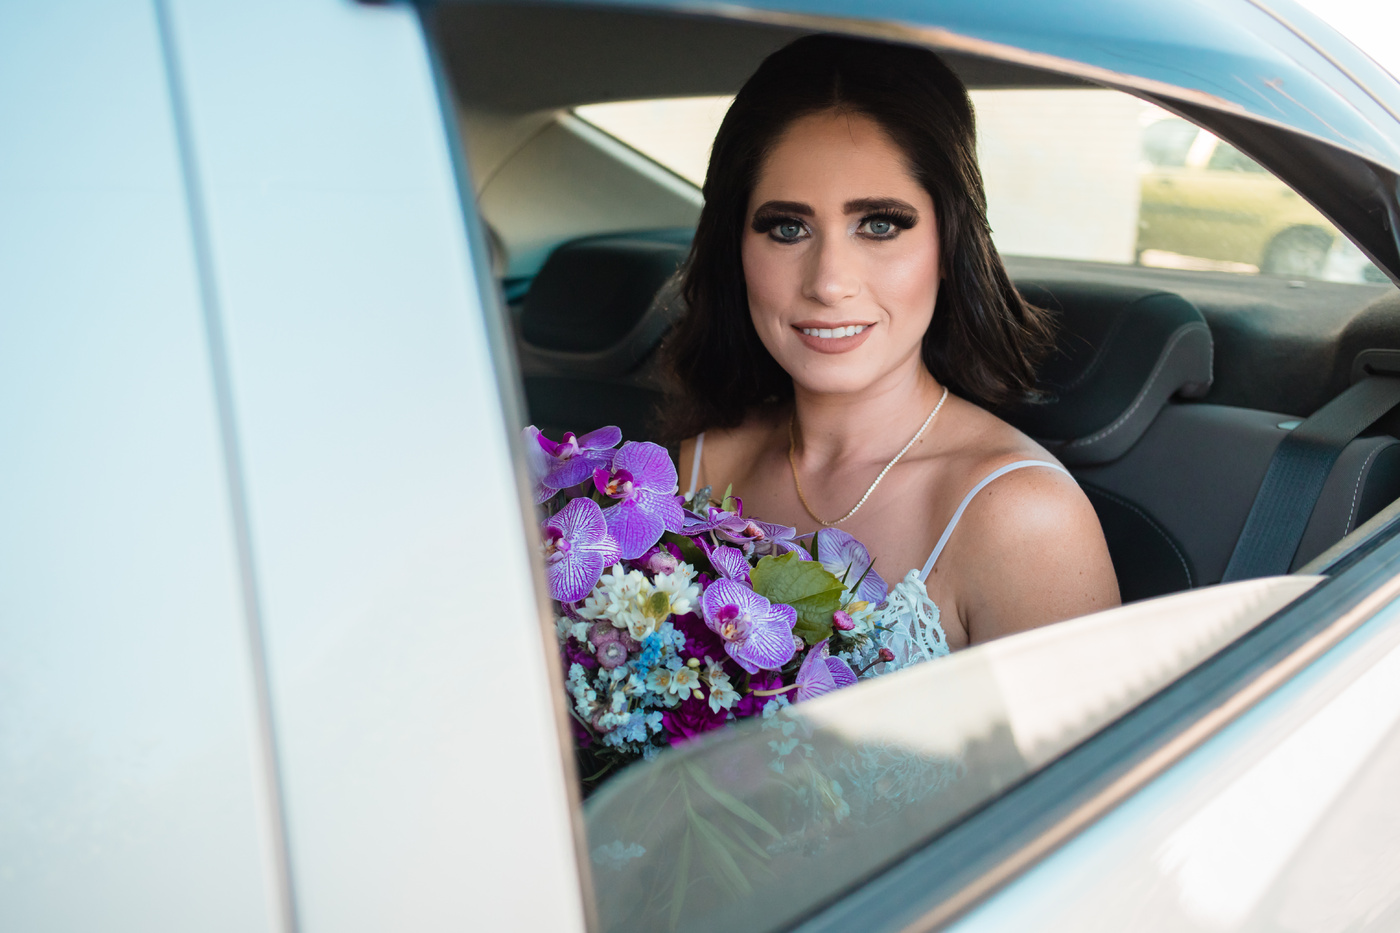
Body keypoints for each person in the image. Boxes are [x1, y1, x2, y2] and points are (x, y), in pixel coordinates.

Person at [661, 34, 1120, 652]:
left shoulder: (1024, 519)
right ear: (737, 249)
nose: (828, 283)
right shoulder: (701, 464)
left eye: (879, 225)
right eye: (788, 228)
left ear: (950, 246)